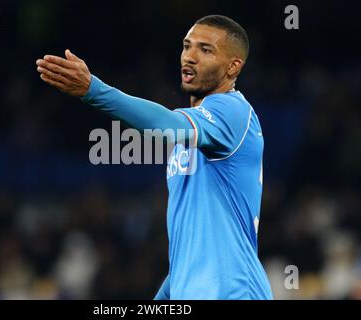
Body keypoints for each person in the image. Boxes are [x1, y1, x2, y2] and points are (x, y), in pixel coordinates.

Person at [36, 14, 273, 300]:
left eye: (205, 50)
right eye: (187, 46)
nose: (190, 57)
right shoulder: (191, 141)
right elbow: (192, 258)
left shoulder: (233, 111)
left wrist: (94, 90)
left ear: (234, 66)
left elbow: (166, 125)